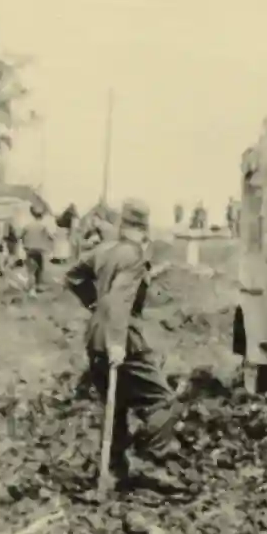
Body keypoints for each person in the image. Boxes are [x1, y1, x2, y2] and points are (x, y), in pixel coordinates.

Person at [65, 198, 186, 495]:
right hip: (122, 339)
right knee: (166, 402)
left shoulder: (104, 250)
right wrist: (117, 342)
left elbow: (73, 276)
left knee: (115, 406)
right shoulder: (133, 256)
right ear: (144, 229)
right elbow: (120, 300)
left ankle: (116, 472)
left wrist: (94, 304)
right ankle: (145, 454)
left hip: (94, 337)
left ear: (122, 225)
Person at [19, 203, 57, 293]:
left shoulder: (27, 226)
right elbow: (50, 237)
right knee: (39, 269)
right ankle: (36, 286)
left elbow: (20, 236)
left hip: (29, 250)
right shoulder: (43, 226)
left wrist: (24, 243)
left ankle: (30, 287)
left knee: (31, 270)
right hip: (39, 251)